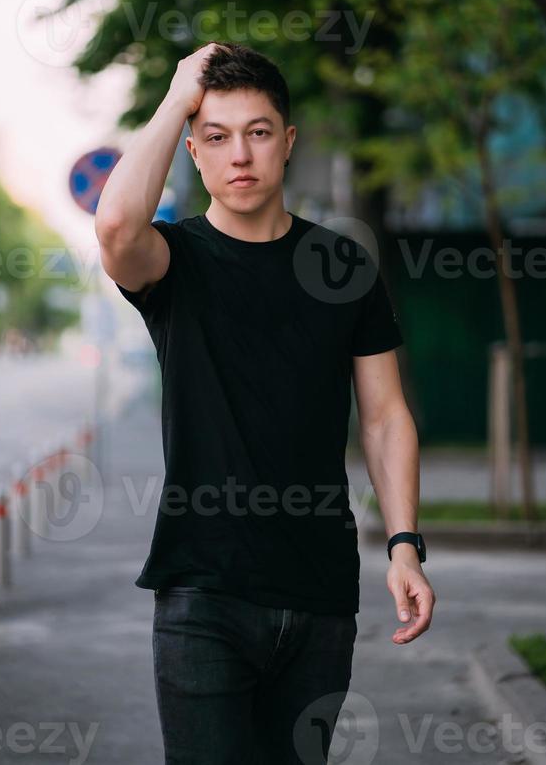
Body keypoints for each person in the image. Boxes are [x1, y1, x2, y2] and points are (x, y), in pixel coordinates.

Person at [95, 41, 436, 765]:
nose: (238, 155)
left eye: (256, 132)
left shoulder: (342, 267)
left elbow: (383, 416)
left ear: (287, 142)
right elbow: (117, 226)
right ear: (192, 151)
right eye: (215, 138)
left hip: (320, 599)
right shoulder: (173, 261)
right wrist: (179, 90)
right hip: (203, 597)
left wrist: (404, 543)